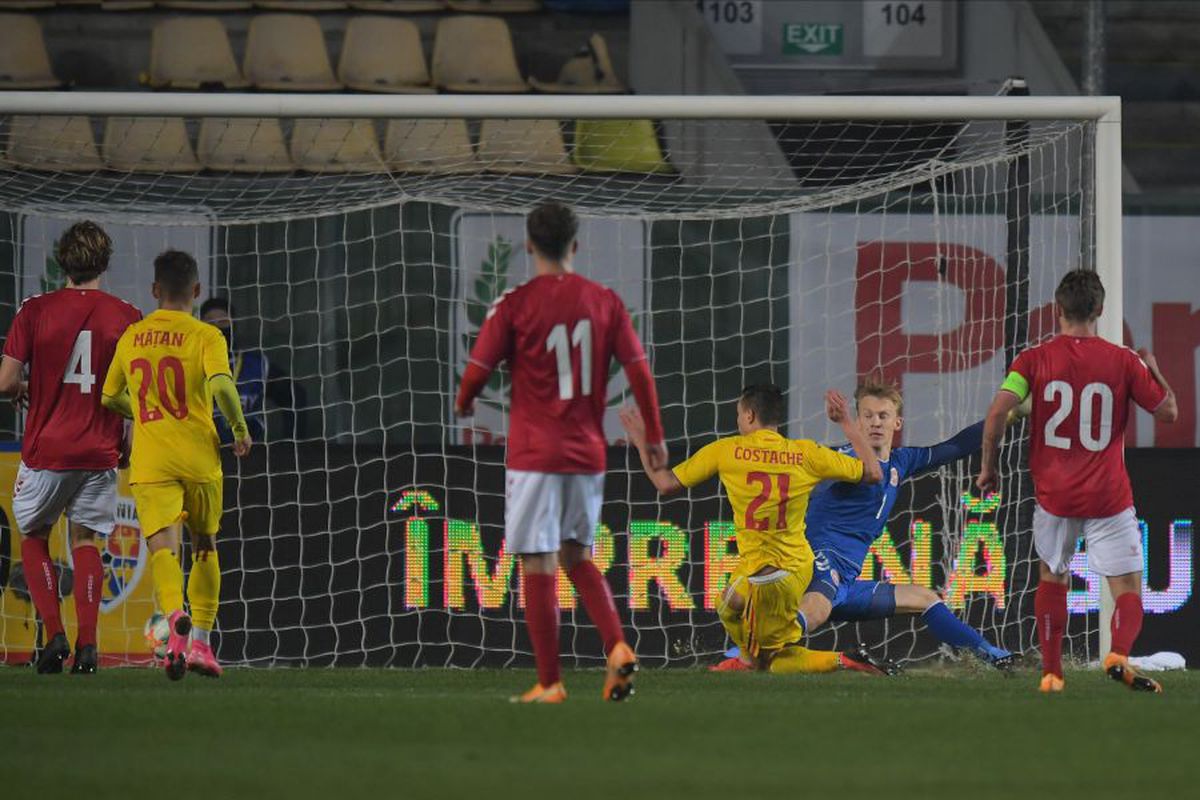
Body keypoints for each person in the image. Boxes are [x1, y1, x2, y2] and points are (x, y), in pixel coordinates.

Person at [454, 202, 665, 704]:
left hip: (534, 454)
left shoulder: (514, 304)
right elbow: (639, 372)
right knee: (577, 555)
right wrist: (654, 435)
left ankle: (550, 682)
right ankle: (615, 646)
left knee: (537, 563)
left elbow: (478, 372)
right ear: (576, 245)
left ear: (528, 245)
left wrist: (463, 402)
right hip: (587, 456)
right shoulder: (605, 301)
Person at [716, 380, 1014, 672]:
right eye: (867, 416)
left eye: (883, 416)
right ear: (857, 422)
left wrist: (1009, 414)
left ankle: (991, 654)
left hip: (846, 580)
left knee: (925, 599)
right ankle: (745, 655)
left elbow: (956, 446)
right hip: (818, 561)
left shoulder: (902, 462)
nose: (875, 423)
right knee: (817, 605)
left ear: (897, 423)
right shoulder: (841, 461)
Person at [978, 269, 1178, 693]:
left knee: (1053, 576)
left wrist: (988, 466)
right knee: (1127, 588)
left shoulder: (1032, 360)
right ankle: (1118, 654)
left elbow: (997, 413)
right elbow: (1168, 413)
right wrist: (1155, 371)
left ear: (1058, 309)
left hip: (1055, 496)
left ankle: (1052, 673)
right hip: (1108, 495)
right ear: (1100, 311)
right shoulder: (1124, 361)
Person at [622, 384, 895, 676]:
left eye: (739, 414)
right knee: (729, 604)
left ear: (750, 416)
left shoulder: (725, 450)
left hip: (768, 574)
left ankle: (843, 659)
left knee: (771, 661)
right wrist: (845, 423)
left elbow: (664, 483)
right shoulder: (805, 452)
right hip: (791, 568)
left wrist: (640, 440)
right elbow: (874, 472)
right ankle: (750, 658)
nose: (738, 421)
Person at [101, 250, 252, 681]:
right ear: (197, 291)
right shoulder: (207, 335)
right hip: (199, 456)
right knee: (205, 545)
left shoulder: (132, 336)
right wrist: (239, 429)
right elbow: (222, 385)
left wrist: (146, 409)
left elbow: (108, 397)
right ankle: (201, 644)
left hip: (153, 459)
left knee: (163, 547)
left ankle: (173, 615)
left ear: (154, 290)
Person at [0, 221, 141, 674]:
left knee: (35, 537)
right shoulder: (127, 315)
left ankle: (55, 635)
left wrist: (23, 383)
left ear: (64, 261)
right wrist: (129, 444)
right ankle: (88, 646)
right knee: (86, 543)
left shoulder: (35, 309)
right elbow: (135, 395)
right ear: (104, 262)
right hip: (100, 450)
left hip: (47, 451)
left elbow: (4, 383)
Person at [198, 296, 302, 443]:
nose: (217, 328)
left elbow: (296, 397)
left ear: (233, 325)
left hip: (250, 455)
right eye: (209, 322)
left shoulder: (255, 364)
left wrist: (291, 444)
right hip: (201, 453)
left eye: (223, 322)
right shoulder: (189, 364)